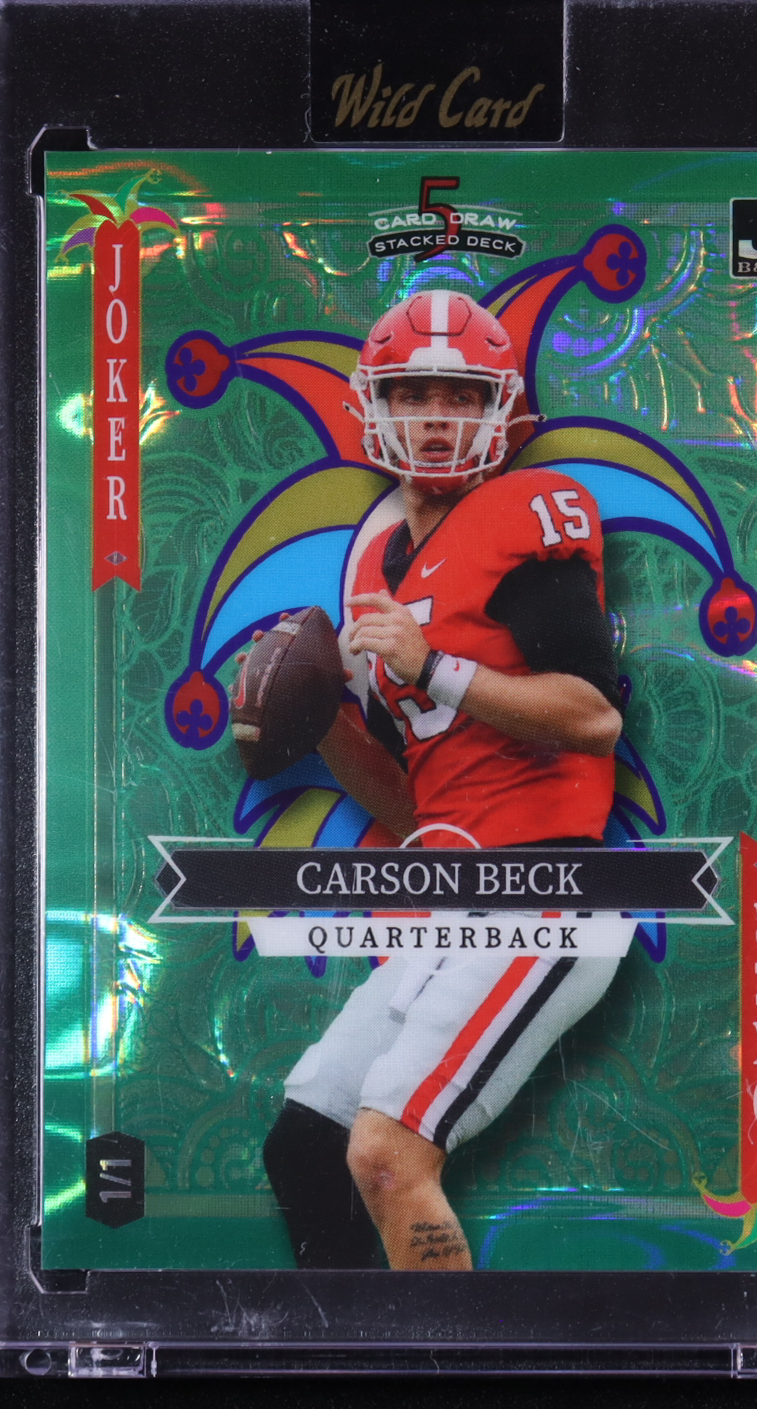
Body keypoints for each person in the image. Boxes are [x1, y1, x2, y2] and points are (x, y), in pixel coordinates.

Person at [263, 290, 630, 1270]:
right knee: (305, 1145)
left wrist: (431, 666)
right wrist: (320, 724)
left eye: (460, 396)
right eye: (413, 392)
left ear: (501, 410)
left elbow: (592, 715)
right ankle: (347, 1346)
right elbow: (421, 806)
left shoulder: (523, 511)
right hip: (455, 891)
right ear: (372, 405)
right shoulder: (377, 569)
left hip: (547, 891)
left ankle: (442, 1351)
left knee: (387, 1155)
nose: (435, 416)